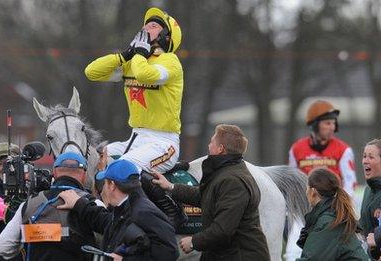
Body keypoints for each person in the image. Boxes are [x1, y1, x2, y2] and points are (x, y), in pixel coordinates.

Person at [84, 7, 183, 174]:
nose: (145, 29)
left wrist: (138, 54)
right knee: (91, 158)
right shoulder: (133, 62)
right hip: (135, 138)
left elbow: (144, 75)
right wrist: (124, 56)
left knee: (122, 167)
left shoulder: (170, 61)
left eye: (153, 26)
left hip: (164, 143)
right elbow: (91, 72)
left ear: (167, 37)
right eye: (145, 25)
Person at [152, 124, 270, 260]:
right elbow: (204, 196)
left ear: (220, 149)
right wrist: (170, 187)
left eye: (212, 142)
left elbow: (223, 229)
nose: (208, 145)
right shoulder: (226, 172)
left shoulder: (233, 181)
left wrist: (193, 242)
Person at [57, 159, 179, 260]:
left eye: (104, 183)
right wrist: (79, 204)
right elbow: (107, 222)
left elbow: (170, 252)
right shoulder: (125, 207)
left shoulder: (143, 212)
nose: (102, 189)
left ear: (112, 185)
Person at [0, 152, 99, 260]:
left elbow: (1, 247)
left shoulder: (30, 203)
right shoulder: (93, 204)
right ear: (84, 176)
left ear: (54, 173)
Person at [287, 99, 357, 260]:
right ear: (314, 124)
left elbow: (350, 183)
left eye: (333, 123)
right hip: (304, 209)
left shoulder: (343, 149)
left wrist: (341, 208)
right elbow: (292, 182)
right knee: (292, 252)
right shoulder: (296, 148)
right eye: (327, 123)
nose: (332, 127)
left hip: (332, 210)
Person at [296, 168, 369, 260]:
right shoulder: (332, 216)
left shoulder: (329, 222)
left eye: (307, 187)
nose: (306, 192)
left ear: (313, 191)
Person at [360, 139, 381, 259]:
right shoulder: (368, 190)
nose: (365, 161)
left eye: (371, 157)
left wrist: (377, 238)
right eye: (364, 156)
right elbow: (364, 225)